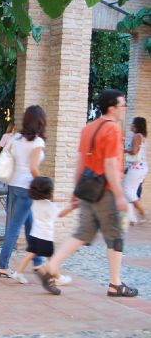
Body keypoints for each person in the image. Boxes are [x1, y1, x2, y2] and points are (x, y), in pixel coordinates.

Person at [37, 89, 138, 297]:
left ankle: (50, 267)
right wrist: (119, 195)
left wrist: (76, 190)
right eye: (122, 105)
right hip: (106, 190)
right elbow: (110, 164)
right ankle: (115, 283)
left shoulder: (88, 128)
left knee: (83, 233)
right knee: (115, 236)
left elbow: (81, 162)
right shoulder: (112, 129)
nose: (124, 109)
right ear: (112, 108)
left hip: (87, 189)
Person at [0, 105, 47, 278]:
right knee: (15, 228)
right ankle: (2, 264)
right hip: (27, 188)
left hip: (14, 185)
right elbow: (33, 168)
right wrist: (44, 186)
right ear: (40, 121)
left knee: (30, 225)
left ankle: (38, 262)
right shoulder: (37, 142)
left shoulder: (17, 138)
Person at [10, 177, 76, 285]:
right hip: (45, 237)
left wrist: (62, 200)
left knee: (30, 255)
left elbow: (47, 201)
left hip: (34, 234)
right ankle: (58, 277)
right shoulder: (50, 206)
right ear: (49, 191)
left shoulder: (35, 201)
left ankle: (18, 273)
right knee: (52, 259)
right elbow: (61, 214)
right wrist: (72, 207)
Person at [123, 117, 148, 223]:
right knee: (129, 191)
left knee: (128, 191)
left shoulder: (137, 136)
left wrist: (123, 150)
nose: (131, 125)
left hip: (137, 168)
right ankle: (131, 218)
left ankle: (142, 213)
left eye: (132, 123)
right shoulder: (141, 136)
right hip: (140, 167)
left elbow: (133, 151)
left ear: (136, 125)